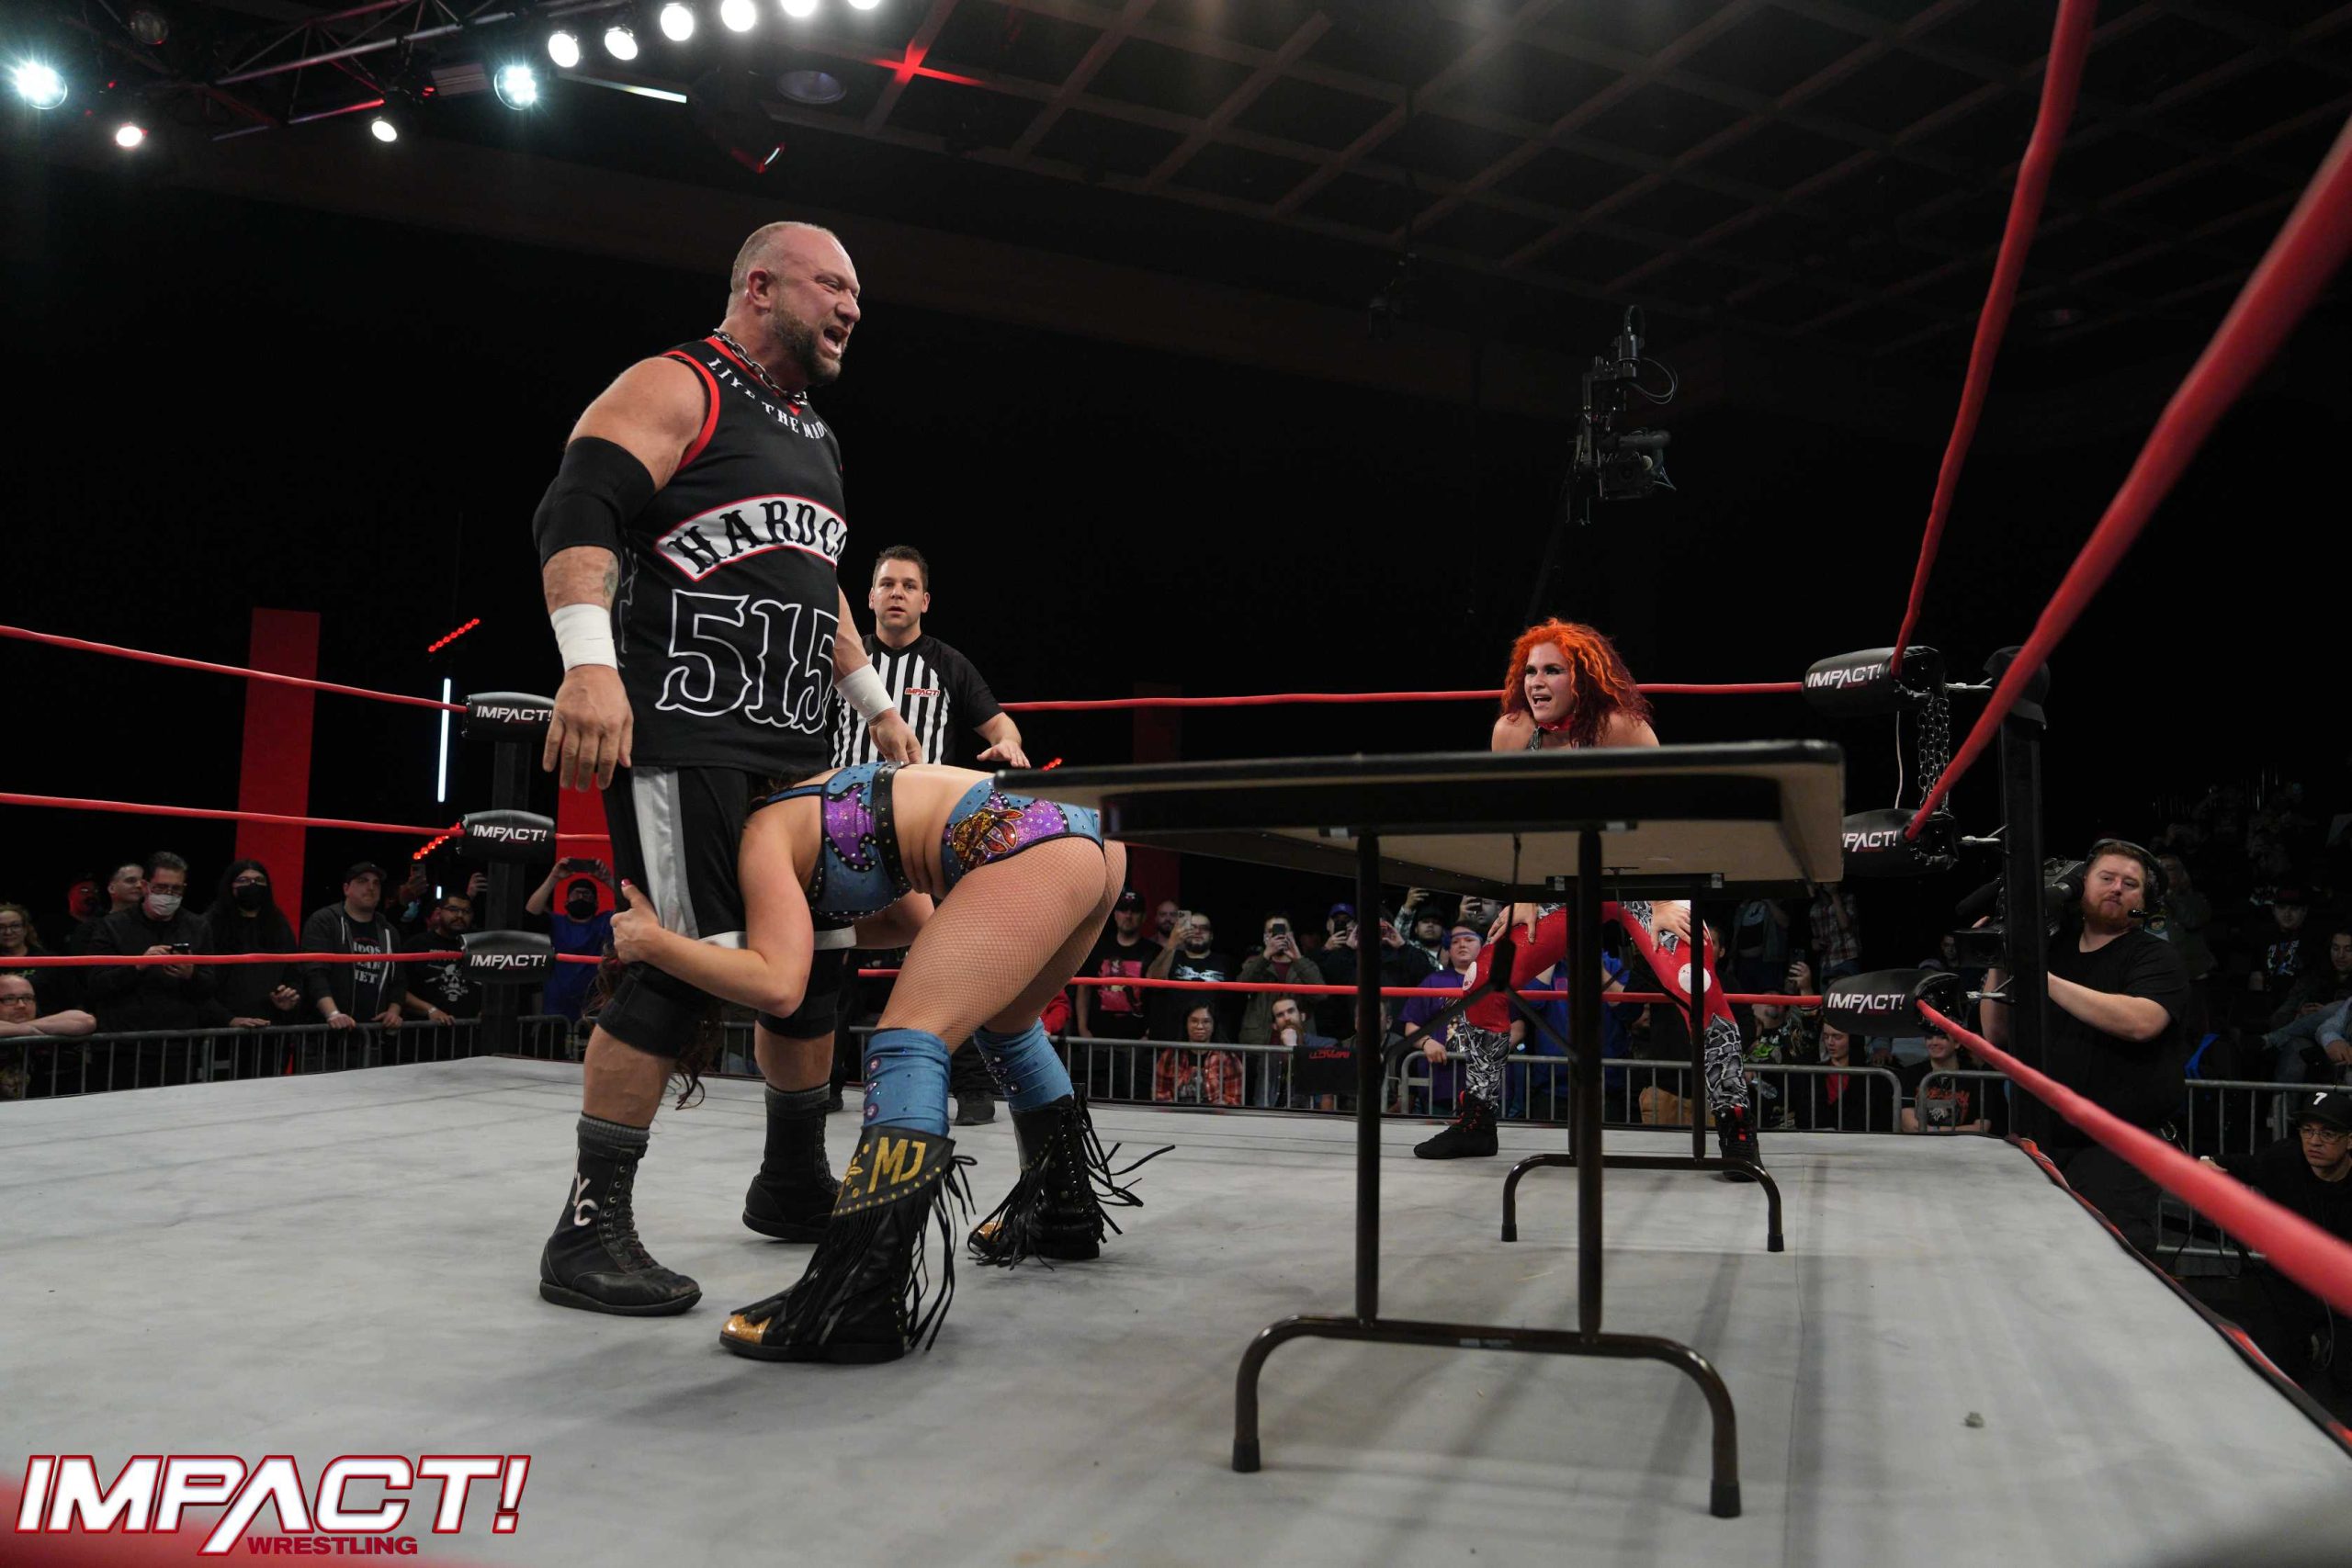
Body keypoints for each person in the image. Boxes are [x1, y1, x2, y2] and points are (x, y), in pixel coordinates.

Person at [529, 220, 922, 1317]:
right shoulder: (679, 383)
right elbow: (577, 504)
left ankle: (790, 1179)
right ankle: (587, 1229)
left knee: (823, 963)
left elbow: (816, 579)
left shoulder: (815, 433)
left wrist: (875, 707)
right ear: (760, 285)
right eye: (831, 285)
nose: (851, 308)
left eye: (856, 293)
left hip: (794, 746)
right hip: (685, 733)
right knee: (680, 966)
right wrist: (589, 665)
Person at [602, 760, 1148, 1363]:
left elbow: (778, 987)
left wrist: (655, 943)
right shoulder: (824, 797)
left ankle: (857, 1296)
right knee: (1008, 1025)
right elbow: (913, 921)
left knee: (909, 1039)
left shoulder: (760, 833)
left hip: (1027, 836)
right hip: (1088, 834)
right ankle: (1062, 1210)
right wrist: (792, 930)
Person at [1417, 620, 1760, 1176]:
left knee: (1692, 979)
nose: (1537, 682)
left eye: (1552, 670)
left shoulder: (1624, 728)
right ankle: (1477, 1119)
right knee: (1483, 975)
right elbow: (1515, 824)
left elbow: (1668, 817)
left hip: (1642, 881)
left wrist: (1669, 899)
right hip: (1564, 884)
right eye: (1531, 671)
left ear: (1583, 678)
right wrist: (1524, 891)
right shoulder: (1512, 733)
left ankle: (1736, 1125)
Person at [826, 544, 1031, 1124]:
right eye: (887, 584)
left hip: (924, 834)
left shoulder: (948, 664)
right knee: (832, 956)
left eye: (908, 585)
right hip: (846, 828)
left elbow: (1001, 725)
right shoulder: (841, 660)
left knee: (947, 955)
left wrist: (1007, 744)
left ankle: (972, 1087)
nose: (897, 593)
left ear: (925, 601)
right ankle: (820, 1083)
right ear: (869, 598)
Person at [1983, 839, 2189, 1248]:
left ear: (2144, 901)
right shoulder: (2053, 948)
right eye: (2107, 878)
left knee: (2105, 1259)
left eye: (2130, 883)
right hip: (2040, 1139)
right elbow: (1997, 1034)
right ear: (2081, 885)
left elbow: (2142, 1022)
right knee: (2032, 1254)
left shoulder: (2154, 956)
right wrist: (2000, 956)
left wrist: (2039, 976)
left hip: (2119, 1146)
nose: (2117, 888)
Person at [2204, 1089, 2352, 1417]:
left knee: (2344, 1380)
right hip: (2291, 1283)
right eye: (2307, 1131)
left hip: (2345, 1289)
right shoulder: (2285, 1159)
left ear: (2350, 1140)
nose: (2314, 1141)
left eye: (2328, 1134)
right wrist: (2206, 1167)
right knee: (2267, 1363)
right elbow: (2233, 1164)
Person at [84, 852, 215, 1058]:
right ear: (145, 886)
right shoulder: (112, 926)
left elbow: (210, 985)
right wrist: (138, 966)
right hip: (121, 1044)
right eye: (161, 888)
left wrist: (191, 975)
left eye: (176, 889)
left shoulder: (198, 926)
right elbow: (95, 983)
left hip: (177, 1044)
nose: (169, 894)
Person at [298, 863, 404, 1048]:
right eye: (363, 881)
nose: (371, 887)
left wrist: (393, 1012)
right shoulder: (325, 921)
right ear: (346, 888)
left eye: (376, 883)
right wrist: (333, 1014)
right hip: (324, 1039)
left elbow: (399, 980)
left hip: (371, 1037)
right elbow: (314, 973)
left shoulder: (388, 931)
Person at [200, 860, 302, 1032]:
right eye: (244, 880)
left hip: (270, 1027)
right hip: (220, 1029)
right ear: (230, 886)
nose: (252, 885)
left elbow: (293, 973)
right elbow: (197, 982)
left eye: (259, 880)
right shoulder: (210, 923)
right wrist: (228, 1019)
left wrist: (290, 998)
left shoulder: (278, 923)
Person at [526, 860, 616, 1024]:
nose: (581, 897)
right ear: (566, 901)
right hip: (555, 1009)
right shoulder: (555, 922)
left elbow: (631, 906)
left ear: (596, 903)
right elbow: (531, 912)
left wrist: (608, 880)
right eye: (577, 894)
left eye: (586, 895)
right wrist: (553, 877)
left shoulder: (604, 922)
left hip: (593, 1010)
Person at [1145, 909, 1239, 1042]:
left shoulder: (1225, 962)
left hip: (1214, 1044)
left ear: (1211, 935)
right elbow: (1153, 981)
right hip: (1172, 1041)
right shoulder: (1171, 957)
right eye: (1192, 928)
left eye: (1204, 928)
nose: (1198, 932)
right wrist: (1172, 943)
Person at [0, 974, 96, 1100]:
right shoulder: (40, 1028)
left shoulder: (42, 1024)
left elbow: (86, 1021)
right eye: (9, 999)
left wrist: (22, 1028)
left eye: (28, 998)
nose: (21, 1005)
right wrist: (26, 1030)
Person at [1235, 911, 1325, 1045]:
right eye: (1272, 932)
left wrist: (1298, 959)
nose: (1278, 935)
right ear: (1265, 937)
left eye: (1283, 931)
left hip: (1300, 1042)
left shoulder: (1306, 964)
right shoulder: (1256, 964)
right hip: (1261, 1044)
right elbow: (1240, 989)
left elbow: (1321, 995)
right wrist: (1266, 955)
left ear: (1291, 935)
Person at [1789, 1019, 1894, 1133]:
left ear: (1853, 1039)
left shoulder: (1875, 1080)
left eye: (1837, 1037)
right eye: (1826, 1036)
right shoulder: (1811, 1074)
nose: (1830, 1042)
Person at [1897, 1023, 2002, 1135]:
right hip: (1921, 1142)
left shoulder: (1976, 1077)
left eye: (1942, 1037)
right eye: (1929, 1037)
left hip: (1963, 1144)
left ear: (1957, 1043)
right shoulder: (1911, 1074)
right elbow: (1908, 1124)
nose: (1934, 1042)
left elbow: (1981, 1127)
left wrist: (1934, 1131)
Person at [401, 891, 484, 1023]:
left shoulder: (479, 946)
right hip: (426, 1030)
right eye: (453, 909)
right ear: (439, 913)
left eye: (466, 911)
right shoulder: (417, 944)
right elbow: (398, 989)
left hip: (470, 1030)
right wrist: (430, 1010)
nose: (460, 915)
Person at [1152, 1001, 1244, 1107]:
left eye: (1206, 1021)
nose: (1200, 1026)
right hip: (1176, 1115)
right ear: (1186, 1024)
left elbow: (1235, 1099)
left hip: (1214, 1115)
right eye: (1194, 1021)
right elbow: (1160, 1093)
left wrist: (1217, 1109)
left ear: (1214, 1025)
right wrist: (1175, 1111)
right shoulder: (1170, 1056)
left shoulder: (1228, 1059)